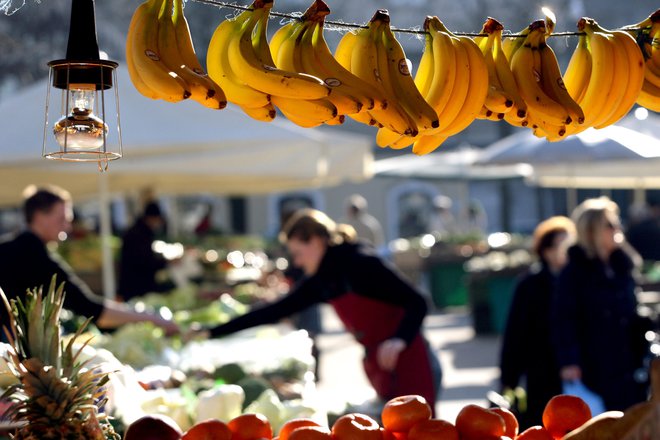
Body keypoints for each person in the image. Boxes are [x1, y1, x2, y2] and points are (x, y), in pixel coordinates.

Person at [207, 208, 442, 410]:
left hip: (412, 360)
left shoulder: (361, 263)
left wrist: (400, 339)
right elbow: (275, 310)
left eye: (298, 253)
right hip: (380, 364)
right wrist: (212, 331)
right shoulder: (320, 280)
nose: (296, 262)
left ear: (316, 241)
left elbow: (418, 301)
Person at [0, 185, 178, 338]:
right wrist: (152, 319)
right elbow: (90, 309)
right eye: (62, 219)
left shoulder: (13, 247)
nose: (68, 227)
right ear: (39, 217)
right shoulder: (35, 257)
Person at [552, 197, 651, 412]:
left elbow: (631, 311)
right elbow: (564, 317)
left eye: (617, 223)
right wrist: (569, 360)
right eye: (609, 224)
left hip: (628, 359)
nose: (617, 229)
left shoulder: (622, 265)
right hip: (594, 360)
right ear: (592, 230)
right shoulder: (574, 271)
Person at [499, 216, 576, 428]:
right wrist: (509, 378)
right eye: (561, 245)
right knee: (542, 424)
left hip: (576, 370)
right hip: (541, 368)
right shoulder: (530, 284)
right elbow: (515, 332)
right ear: (546, 250)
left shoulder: (580, 281)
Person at [118, 201, 175, 302]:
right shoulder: (140, 234)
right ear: (153, 218)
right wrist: (166, 262)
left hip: (132, 284)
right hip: (136, 286)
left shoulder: (137, 231)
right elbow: (145, 261)